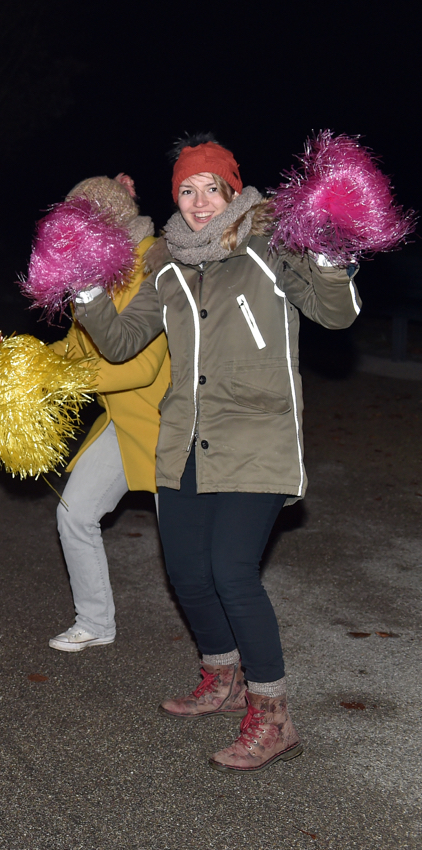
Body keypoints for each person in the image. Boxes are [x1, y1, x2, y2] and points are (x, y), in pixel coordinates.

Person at [73, 135, 361, 772]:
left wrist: (329, 256)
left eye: (211, 189)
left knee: (231, 572)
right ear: (174, 196)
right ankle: (223, 678)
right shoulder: (167, 264)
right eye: (186, 190)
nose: (199, 202)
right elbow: (121, 343)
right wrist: (86, 292)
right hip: (183, 441)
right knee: (188, 573)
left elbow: (334, 315)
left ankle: (273, 713)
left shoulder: (269, 247)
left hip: (256, 437)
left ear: (233, 191)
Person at [46, 174, 169, 652]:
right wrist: (22, 364)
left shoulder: (155, 262)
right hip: (123, 423)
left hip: (172, 428)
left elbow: (139, 366)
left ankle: (227, 658)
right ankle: (95, 622)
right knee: (74, 514)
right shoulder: (96, 270)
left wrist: (60, 381)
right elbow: (78, 346)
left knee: (190, 556)